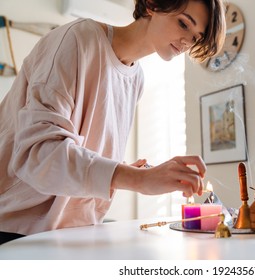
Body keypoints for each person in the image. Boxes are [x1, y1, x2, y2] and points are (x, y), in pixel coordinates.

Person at [0, 0, 226, 245]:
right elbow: (37, 154)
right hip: (15, 229)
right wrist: (135, 178)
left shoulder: (136, 79)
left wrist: (135, 171)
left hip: (74, 232)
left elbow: (82, 155)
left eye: (195, 38)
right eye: (183, 23)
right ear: (151, 5)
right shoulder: (78, 40)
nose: (186, 43)